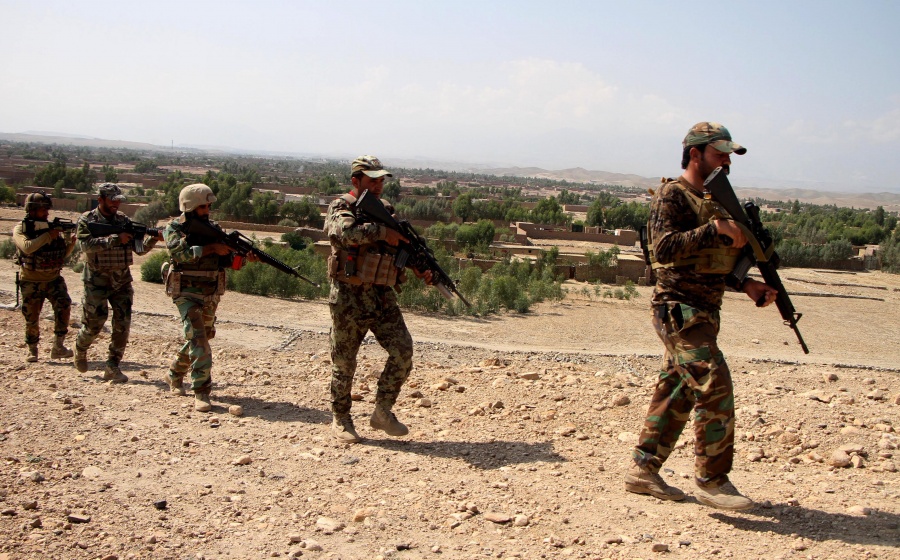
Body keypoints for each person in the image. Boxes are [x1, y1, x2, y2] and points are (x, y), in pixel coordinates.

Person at [625, 122, 778, 511]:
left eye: (728, 155)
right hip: (677, 310)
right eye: (719, 153)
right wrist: (715, 229)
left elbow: (711, 264)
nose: (726, 161)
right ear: (695, 154)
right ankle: (712, 480)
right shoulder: (672, 195)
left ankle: (643, 470)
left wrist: (747, 285)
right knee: (714, 383)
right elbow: (664, 249)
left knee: (676, 390)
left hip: (705, 312)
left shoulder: (715, 200)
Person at [325, 155, 431, 443]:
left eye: (382, 180)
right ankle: (341, 419)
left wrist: (419, 267)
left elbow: (396, 248)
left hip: (382, 297)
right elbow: (346, 234)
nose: (379, 185)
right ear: (355, 180)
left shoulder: (385, 210)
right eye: (373, 180)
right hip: (349, 298)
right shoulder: (341, 207)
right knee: (345, 362)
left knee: (403, 351)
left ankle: (382, 412)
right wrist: (384, 232)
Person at [162, 183, 256, 412]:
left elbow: (228, 262)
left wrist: (243, 258)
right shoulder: (174, 229)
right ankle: (201, 392)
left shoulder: (213, 229)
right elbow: (180, 254)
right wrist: (210, 248)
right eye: (203, 206)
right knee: (199, 341)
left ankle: (174, 374)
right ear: (190, 206)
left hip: (210, 292)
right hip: (186, 292)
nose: (207, 210)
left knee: (201, 337)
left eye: (208, 206)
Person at [74, 183, 163, 382]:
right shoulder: (87, 220)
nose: (117, 203)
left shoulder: (124, 221)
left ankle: (112, 366)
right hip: (96, 281)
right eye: (112, 200)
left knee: (122, 325)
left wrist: (154, 239)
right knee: (94, 325)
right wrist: (115, 239)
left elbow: (139, 250)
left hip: (121, 282)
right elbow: (85, 246)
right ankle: (80, 349)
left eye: (118, 200)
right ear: (101, 200)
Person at [12, 192, 77, 363]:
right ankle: (32, 350)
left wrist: (70, 243)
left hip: (53, 279)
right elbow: (27, 247)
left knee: (64, 307)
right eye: (43, 210)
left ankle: (58, 347)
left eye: (47, 209)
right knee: (32, 317)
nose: (47, 213)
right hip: (31, 281)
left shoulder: (48, 228)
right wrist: (49, 235)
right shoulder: (21, 229)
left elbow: (61, 255)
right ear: (32, 210)